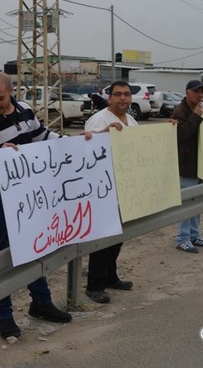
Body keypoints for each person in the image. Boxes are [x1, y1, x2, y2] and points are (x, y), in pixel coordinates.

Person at [0, 71, 73, 340]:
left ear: (12, 90)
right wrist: (2, 157)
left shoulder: (25, 110)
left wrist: (76, 143)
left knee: (34, 246)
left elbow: (43, 137)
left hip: (30, 194)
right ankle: (4, 316)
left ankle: (41, 303)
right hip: (1, 198)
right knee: (4, 256)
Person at [82, 81, 136, 304]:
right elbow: (85, 149)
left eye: (126, 94)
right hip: (102, 190)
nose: (122, 98)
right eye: (117, 95)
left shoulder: (131, 120)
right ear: (109, 98)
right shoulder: (99, 120)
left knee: (117, 238)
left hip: (123, 188)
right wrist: (104, 134)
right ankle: (94, 285)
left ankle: (110, 277)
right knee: (102, 240)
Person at [171, 80, 203, 254]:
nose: (200, 95)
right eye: (196, 92)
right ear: (187, 92)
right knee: (187, 203)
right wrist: (196, 115)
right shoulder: (180, 111)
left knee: (197, 202)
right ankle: (182, 238)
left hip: (200, 163)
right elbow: (180, 135)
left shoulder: (199, 109)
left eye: (202, 92)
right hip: (186, 165)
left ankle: (194, 235)